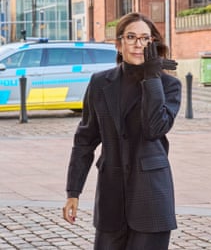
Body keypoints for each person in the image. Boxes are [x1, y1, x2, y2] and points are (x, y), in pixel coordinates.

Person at [63, 12, 181, 249]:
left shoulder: (169, 85)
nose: (139, 44)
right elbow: (85, 140)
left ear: (153, 44)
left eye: (145, 38)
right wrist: (73, 191)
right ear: (118, 44)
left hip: (151, 197)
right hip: (111, 196)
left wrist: (151, 77)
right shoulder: (100, 82)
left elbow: (154, 128)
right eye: (131, 37)